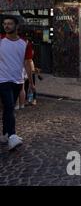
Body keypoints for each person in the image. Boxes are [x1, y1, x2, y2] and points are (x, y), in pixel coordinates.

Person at [0, 16, 35, 151]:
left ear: (16, 26)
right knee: (9, 107)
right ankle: (12, 136)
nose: (7, 26)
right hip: (2, 80)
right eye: (5, 24)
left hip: (18, 80)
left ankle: (5, 134)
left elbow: (27, 63)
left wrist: (31, 83)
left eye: (9, 24)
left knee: (8, 108)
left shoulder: (25, 43)